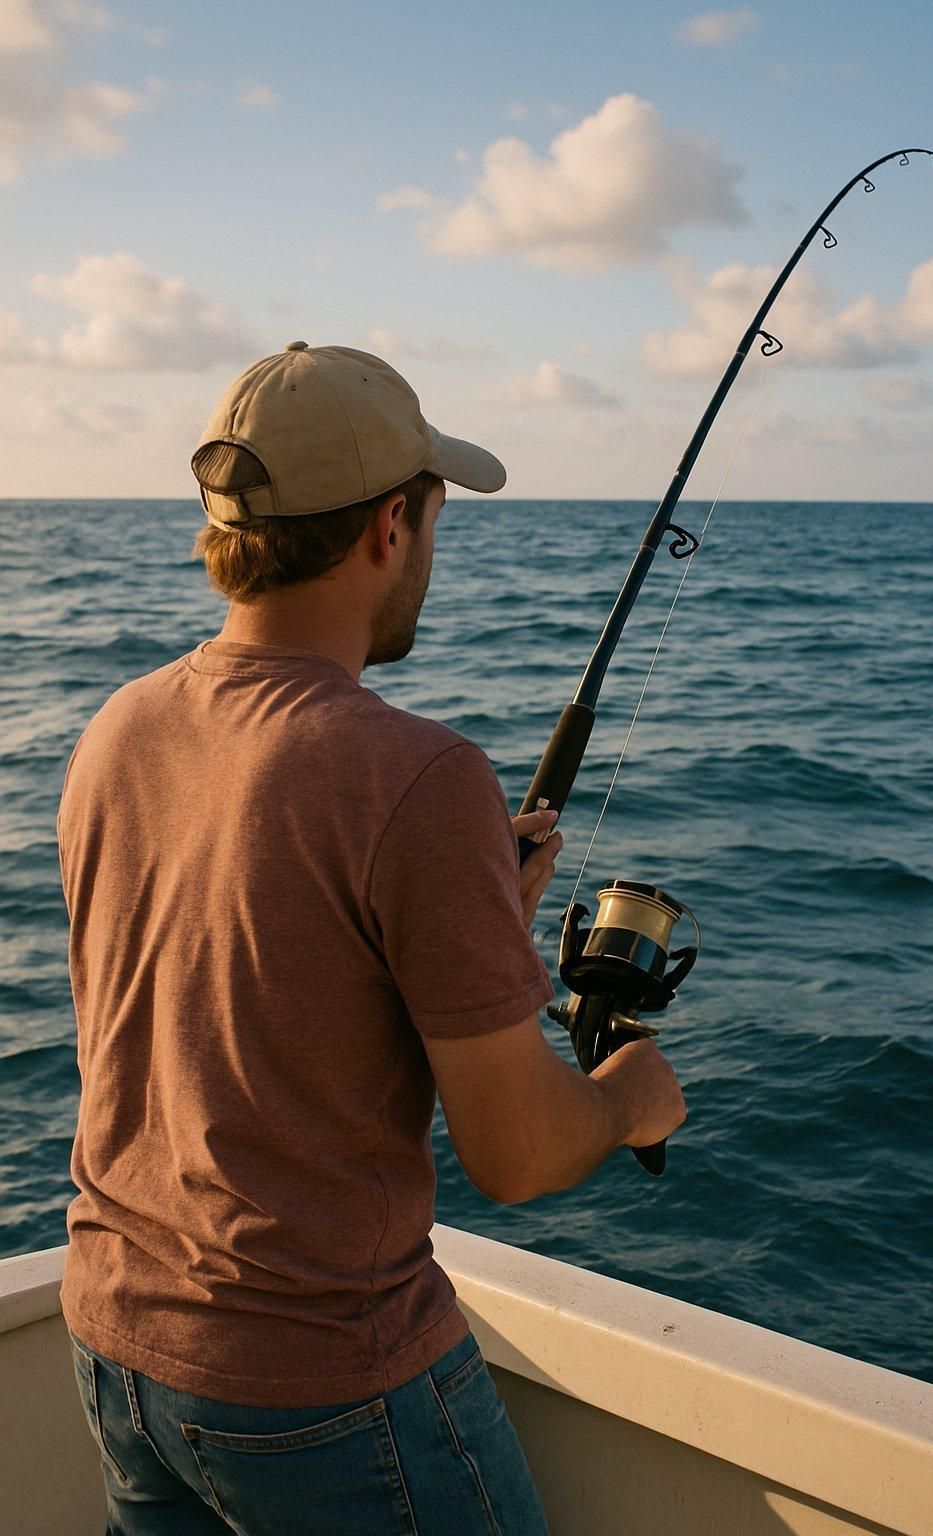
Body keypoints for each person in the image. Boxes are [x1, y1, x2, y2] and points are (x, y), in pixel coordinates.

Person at [57, 342, 687, 1535]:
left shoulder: (117, 730)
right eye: (435, 513)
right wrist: (629, 1100)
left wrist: (473, 919)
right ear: (391, 524)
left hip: (117, 1343)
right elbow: (515, 1156)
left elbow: (246, 998)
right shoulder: (420, 776)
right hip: (322, 1388)